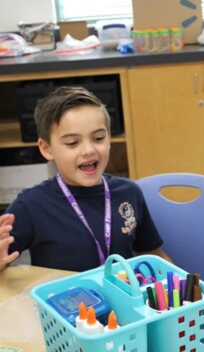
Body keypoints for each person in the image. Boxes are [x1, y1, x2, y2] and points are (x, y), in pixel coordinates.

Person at [0, 86, 171, 272]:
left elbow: (153, 253)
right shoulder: (31, 205)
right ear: (46, 149)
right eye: (72, 143)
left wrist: (183, 286)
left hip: (122, 298)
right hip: (64, 299)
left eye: (98, 138)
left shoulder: (129, 192)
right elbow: (4, 259)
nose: (89, 150)